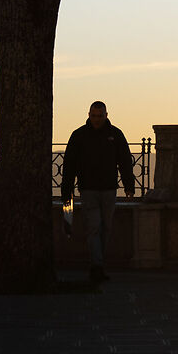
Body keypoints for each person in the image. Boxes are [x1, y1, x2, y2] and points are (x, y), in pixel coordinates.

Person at [59, 100, 137, 281]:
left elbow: (125, 162)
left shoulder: (115, 135)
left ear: (106, 115)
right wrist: (67, 190)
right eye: (93, 116)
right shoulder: (79, 136)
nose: (96, 119)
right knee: (94, 227)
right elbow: (69, 165)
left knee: (106, 228)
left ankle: (98, 263)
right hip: (88, 189)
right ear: (89, 115)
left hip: (109, 189)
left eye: (99, 116)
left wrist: (129, 186)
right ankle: (97, 266)